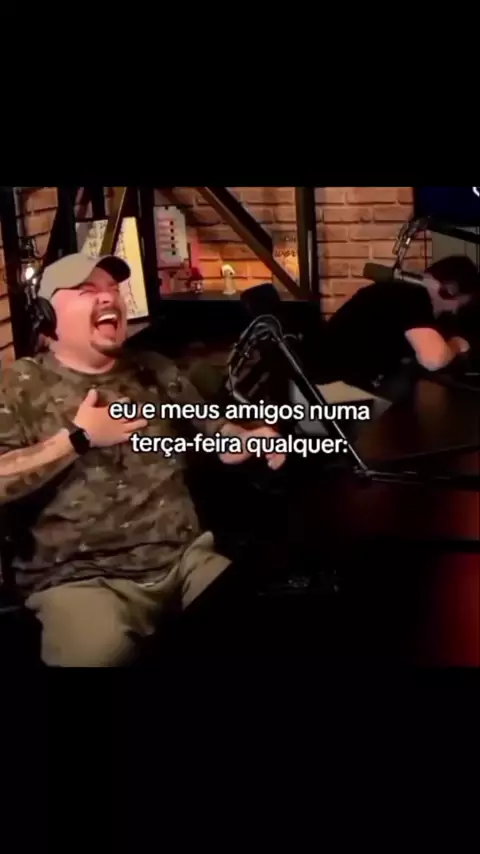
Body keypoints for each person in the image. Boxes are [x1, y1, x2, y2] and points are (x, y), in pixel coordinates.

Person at [0, 253, 286, 667]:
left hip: (184, 561)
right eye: (87, 290)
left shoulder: (153, 368)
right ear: (46, 315)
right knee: (100, 655)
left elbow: (212, 430)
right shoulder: (17, 385)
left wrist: (243, 438)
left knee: (265, 626)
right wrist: (77, 439)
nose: (108, 298)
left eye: (112, 290)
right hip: (81, 581)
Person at [324, 254, 479, 390]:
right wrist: (456, 344)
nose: (454, 311)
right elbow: (434, 359)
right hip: (336, 385)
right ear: (450, 290)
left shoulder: (403, 291)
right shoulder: (414, 297)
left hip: (342, 381)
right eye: (460, 305)